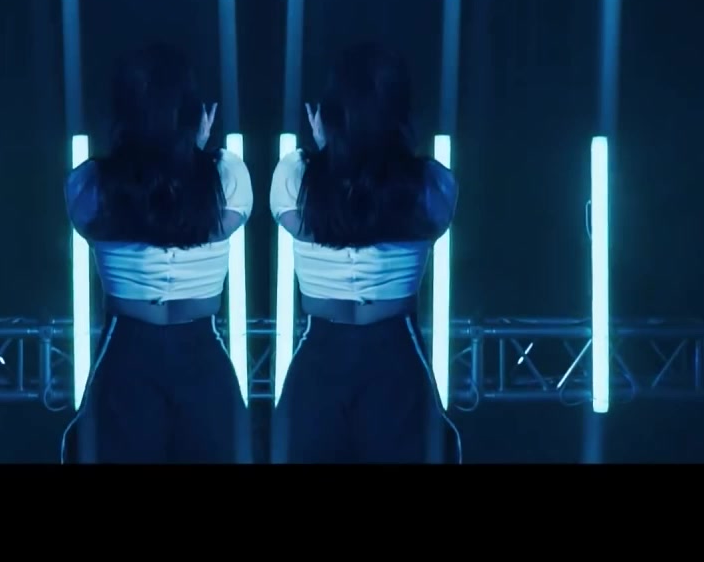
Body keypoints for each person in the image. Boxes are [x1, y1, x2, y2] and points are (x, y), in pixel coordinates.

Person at [62, 43, 253, 464]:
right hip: (189, 344)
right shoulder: (226, 174)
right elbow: (203, 226)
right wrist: (193, 149)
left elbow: (115, 224)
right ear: (194, 113)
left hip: (132, 343)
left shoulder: (90, 182)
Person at [269, 43, 459, 464]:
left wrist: (328, 149)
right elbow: (406, 223)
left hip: (330, 349)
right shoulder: (431, 183)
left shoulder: (296, 175)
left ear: (329, 113)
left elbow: (318, 226)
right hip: (390, 347)